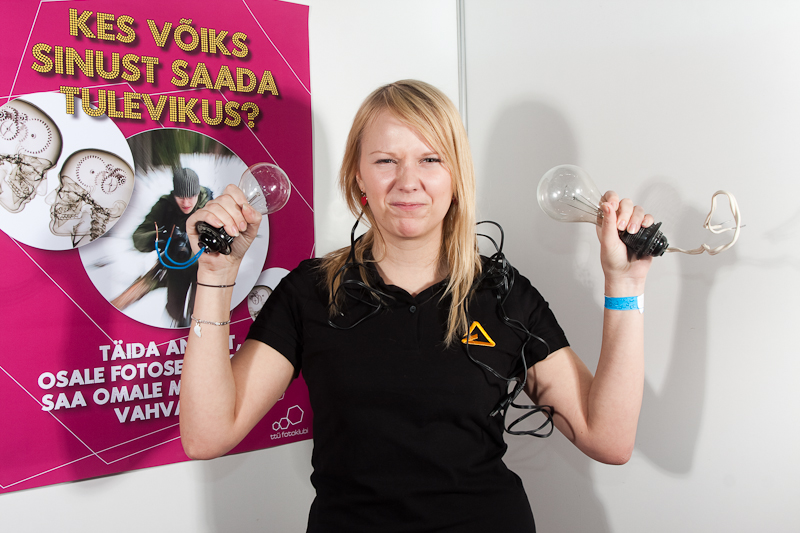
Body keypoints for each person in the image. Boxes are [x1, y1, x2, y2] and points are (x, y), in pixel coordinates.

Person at [180, 80, 653, 532]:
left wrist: (625, 282)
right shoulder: (312, 291)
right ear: (358, 175)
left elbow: (608, 439)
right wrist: (216, 275)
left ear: (456, 176)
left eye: (430, 159)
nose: (408, 182)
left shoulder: (504, 294)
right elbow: (207, 435)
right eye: (386, 160)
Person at [128, 167, 212, 326]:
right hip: (175, 265)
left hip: (203, 266)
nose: (186, 203)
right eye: (180, 197)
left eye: (191, 197)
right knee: (174, 309)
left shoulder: (210, 206)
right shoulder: (165, 206)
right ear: (174, 194)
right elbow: (138, 237)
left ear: (197, 193)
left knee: (201, 310)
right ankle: (178, 327)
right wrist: (160, 239)